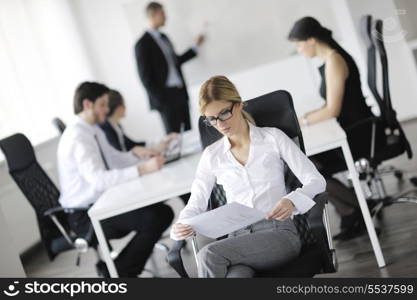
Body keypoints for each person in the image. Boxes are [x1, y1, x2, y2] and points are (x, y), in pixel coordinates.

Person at [170, 76, 326, 278]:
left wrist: (291, 200)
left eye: (224, 113)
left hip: (278, 234)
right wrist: (180, 227)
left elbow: (316, 181)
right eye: (212, 119)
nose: (220, 124)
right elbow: (196, 204)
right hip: (237, 238)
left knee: (208, 255)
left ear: (239, 104)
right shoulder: (212, 155)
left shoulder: (272, 138)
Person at [57, 81, 174, 277]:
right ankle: (119, 274)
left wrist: (140, 157)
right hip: (86, 216)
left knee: (158, 211)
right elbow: (99, 180)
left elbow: (114, 159)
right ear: (87, 104)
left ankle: (116, 269)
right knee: (157, 215)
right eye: (102, 105)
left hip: (101, 202)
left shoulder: (91, 129)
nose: (106, 110)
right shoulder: (78, 137)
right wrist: (143, 169)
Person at [288, 16, 379, 240]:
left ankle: (359, 208)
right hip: (354, 128)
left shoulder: (334, 60)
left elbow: (332, 111)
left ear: (311, 40)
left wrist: (302, 122)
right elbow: (329, 104)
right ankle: (351, 211)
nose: (299, 50)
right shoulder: (329, 60)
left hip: (359, 134)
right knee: (308, 166)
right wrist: (306, 117)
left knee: (309, 168)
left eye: (299, 45)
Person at [99, 89, 190, 204]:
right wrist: (150, 151)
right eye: (124, 104)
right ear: (118, 108)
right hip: (128, 178)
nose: (126, 107)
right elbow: (128, 153)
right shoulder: (106, 130)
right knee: (172, 179)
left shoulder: (115, 126)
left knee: (174, 178)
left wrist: (161, 141)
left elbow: (134, 145)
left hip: (135, 169)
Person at [134, 1, 205, 134]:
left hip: (180, 93)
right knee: (174, 137)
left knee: (189, 133)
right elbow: (145, 77)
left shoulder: (165, 38)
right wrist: (161, 101)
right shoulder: (142, 44)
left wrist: (195, 47)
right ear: (153, 15)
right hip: (165, 98)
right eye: (162, 13)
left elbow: (175, 62)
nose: (166, 17)